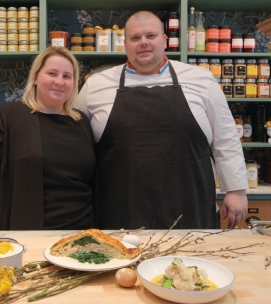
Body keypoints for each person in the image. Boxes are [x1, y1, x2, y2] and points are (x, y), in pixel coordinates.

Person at [77, 11, 248, 230]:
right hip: (118, 211)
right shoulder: (96, 85)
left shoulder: (200, 79)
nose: (143, 43)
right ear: (125, 43)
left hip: (189, 207)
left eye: (151, 35)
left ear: (164, 40)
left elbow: (226, 139)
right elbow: (76, 144)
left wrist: (236, 190)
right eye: (135, 38)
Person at [0, 46, 95, 230]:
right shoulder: (7, 116)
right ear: (35, 77)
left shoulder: (81, 121)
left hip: (81, 234)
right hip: (29, 235)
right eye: (52, 73)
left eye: (67, 76)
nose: (59, 82)